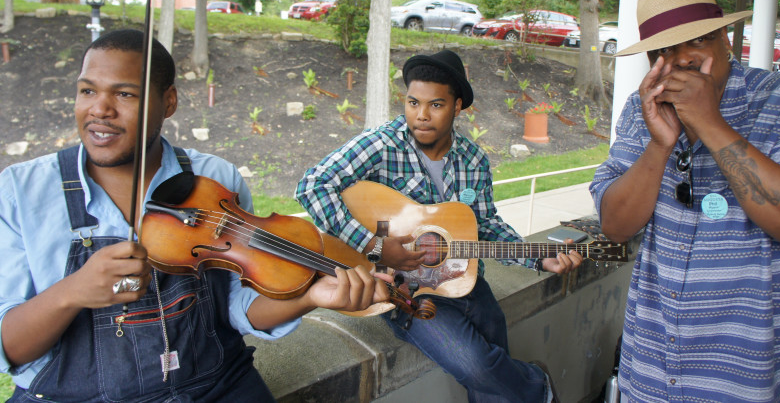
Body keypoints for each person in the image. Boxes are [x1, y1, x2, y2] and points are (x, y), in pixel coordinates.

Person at [0, 29, 390, 401]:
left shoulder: (216, 180)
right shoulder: (21, 190)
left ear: (168, 102)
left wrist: (310, 298)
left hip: (216, 385)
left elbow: (239, 307)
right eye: (87, 91)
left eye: (125, 93)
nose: (100, 109)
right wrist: (72, 291)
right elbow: (10, 348)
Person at [295, 49, 583, 402]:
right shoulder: (381, 145)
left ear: (457, 106)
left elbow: (485, 223)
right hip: (403, 292)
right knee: (478, 365)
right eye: (413, 102)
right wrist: (376, 245)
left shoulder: (473, 159)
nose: (421, 116)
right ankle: (537, 387)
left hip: (464, 281)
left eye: (436, 105)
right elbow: (312, 185)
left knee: (493, 378)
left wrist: (536, 257)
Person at [590, 0, 780, 402]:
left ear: (724, 37)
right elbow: (615, 225)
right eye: (664, 50)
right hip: (651, 367)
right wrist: (659, 146)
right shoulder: (641, 109)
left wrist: (708, 121)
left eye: (696, 41)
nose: (680, 60)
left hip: (749, 375)